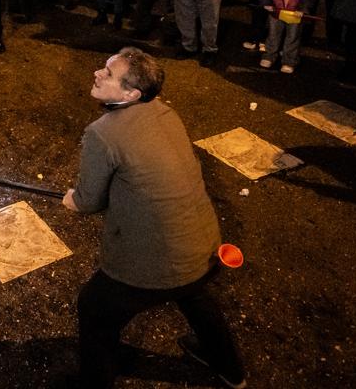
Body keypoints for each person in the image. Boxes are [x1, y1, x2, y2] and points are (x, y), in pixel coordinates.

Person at [63, 48, 245, 389]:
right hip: (202, 246)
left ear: (132, 94)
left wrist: (71, 199)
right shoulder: (164, 113)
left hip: (159, 258)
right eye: (104, 67)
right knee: (193, 293)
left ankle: (93, 382)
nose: (97, 74)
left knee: (94, 308)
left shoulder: (103, 133)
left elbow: (87, 202)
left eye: (108, 74)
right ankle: (230, 369)